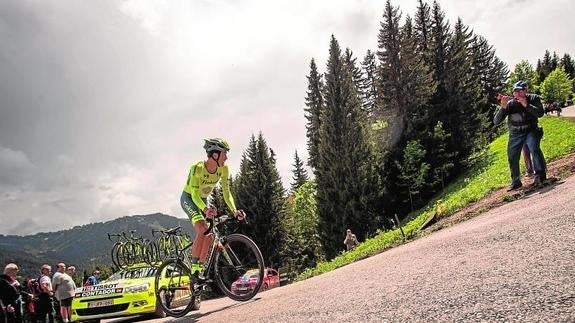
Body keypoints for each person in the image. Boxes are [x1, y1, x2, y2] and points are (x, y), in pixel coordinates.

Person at [180, 138, 246, 278]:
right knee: (202, 229)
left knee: (210, 235)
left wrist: (234, 211)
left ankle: (199, 271)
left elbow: (227, 194)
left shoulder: (223, 169)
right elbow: (194, 195)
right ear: (215, 155)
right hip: (189, 199)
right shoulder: (197, 168)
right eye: (224, 154)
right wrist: (205, 209)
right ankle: (193, 267)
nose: (226, 157)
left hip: (202, 200)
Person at [494, 80, 546, 191]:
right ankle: (516, 181)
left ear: (525, 91)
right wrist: (503, 107)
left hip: (530, 130)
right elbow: (496, 121)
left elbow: (540, 113)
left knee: (534, 148)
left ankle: (540, 175)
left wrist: (526, 105)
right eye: (514, 91)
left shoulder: (534, 98)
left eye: (519, 91)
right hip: (515, 134)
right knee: (512, 156)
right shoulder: (509, 103)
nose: (516, 94)